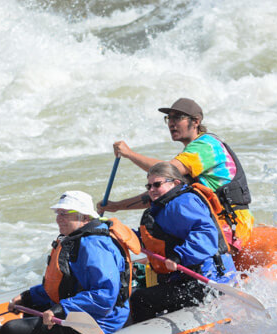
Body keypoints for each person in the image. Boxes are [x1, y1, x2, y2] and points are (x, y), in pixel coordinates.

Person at [0, 191, 134, 334]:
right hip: (82, 312)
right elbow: (63, 283)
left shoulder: (94, 246)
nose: (59, 218)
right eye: (58, 213)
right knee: (32, 308)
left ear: (85, 217)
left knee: (11, 330)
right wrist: (28, 297)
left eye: (65, 214)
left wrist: (61, 309)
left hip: (98, 322)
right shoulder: (76, 239)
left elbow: (104, 295)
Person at [102, 98, 253, 251]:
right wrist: (116, 206)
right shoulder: (191, 156)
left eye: (178, 118)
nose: (171, 123)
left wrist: (129, 154)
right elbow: (159, 193)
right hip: (216, 223)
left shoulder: (205, 146)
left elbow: (165, 171)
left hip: (231, 226)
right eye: (169, 118)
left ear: (196, 121)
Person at [130, 163, 237, 323]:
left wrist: (178, 257)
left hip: (209, 281)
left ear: (175, 183)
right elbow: (154, 238)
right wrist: (124, 235)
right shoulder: (165, 206)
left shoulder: (182, 202)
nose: (151, 190)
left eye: (157, 184)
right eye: (149, 185)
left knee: (140, 298)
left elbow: (205, 233)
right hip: (188, 279)